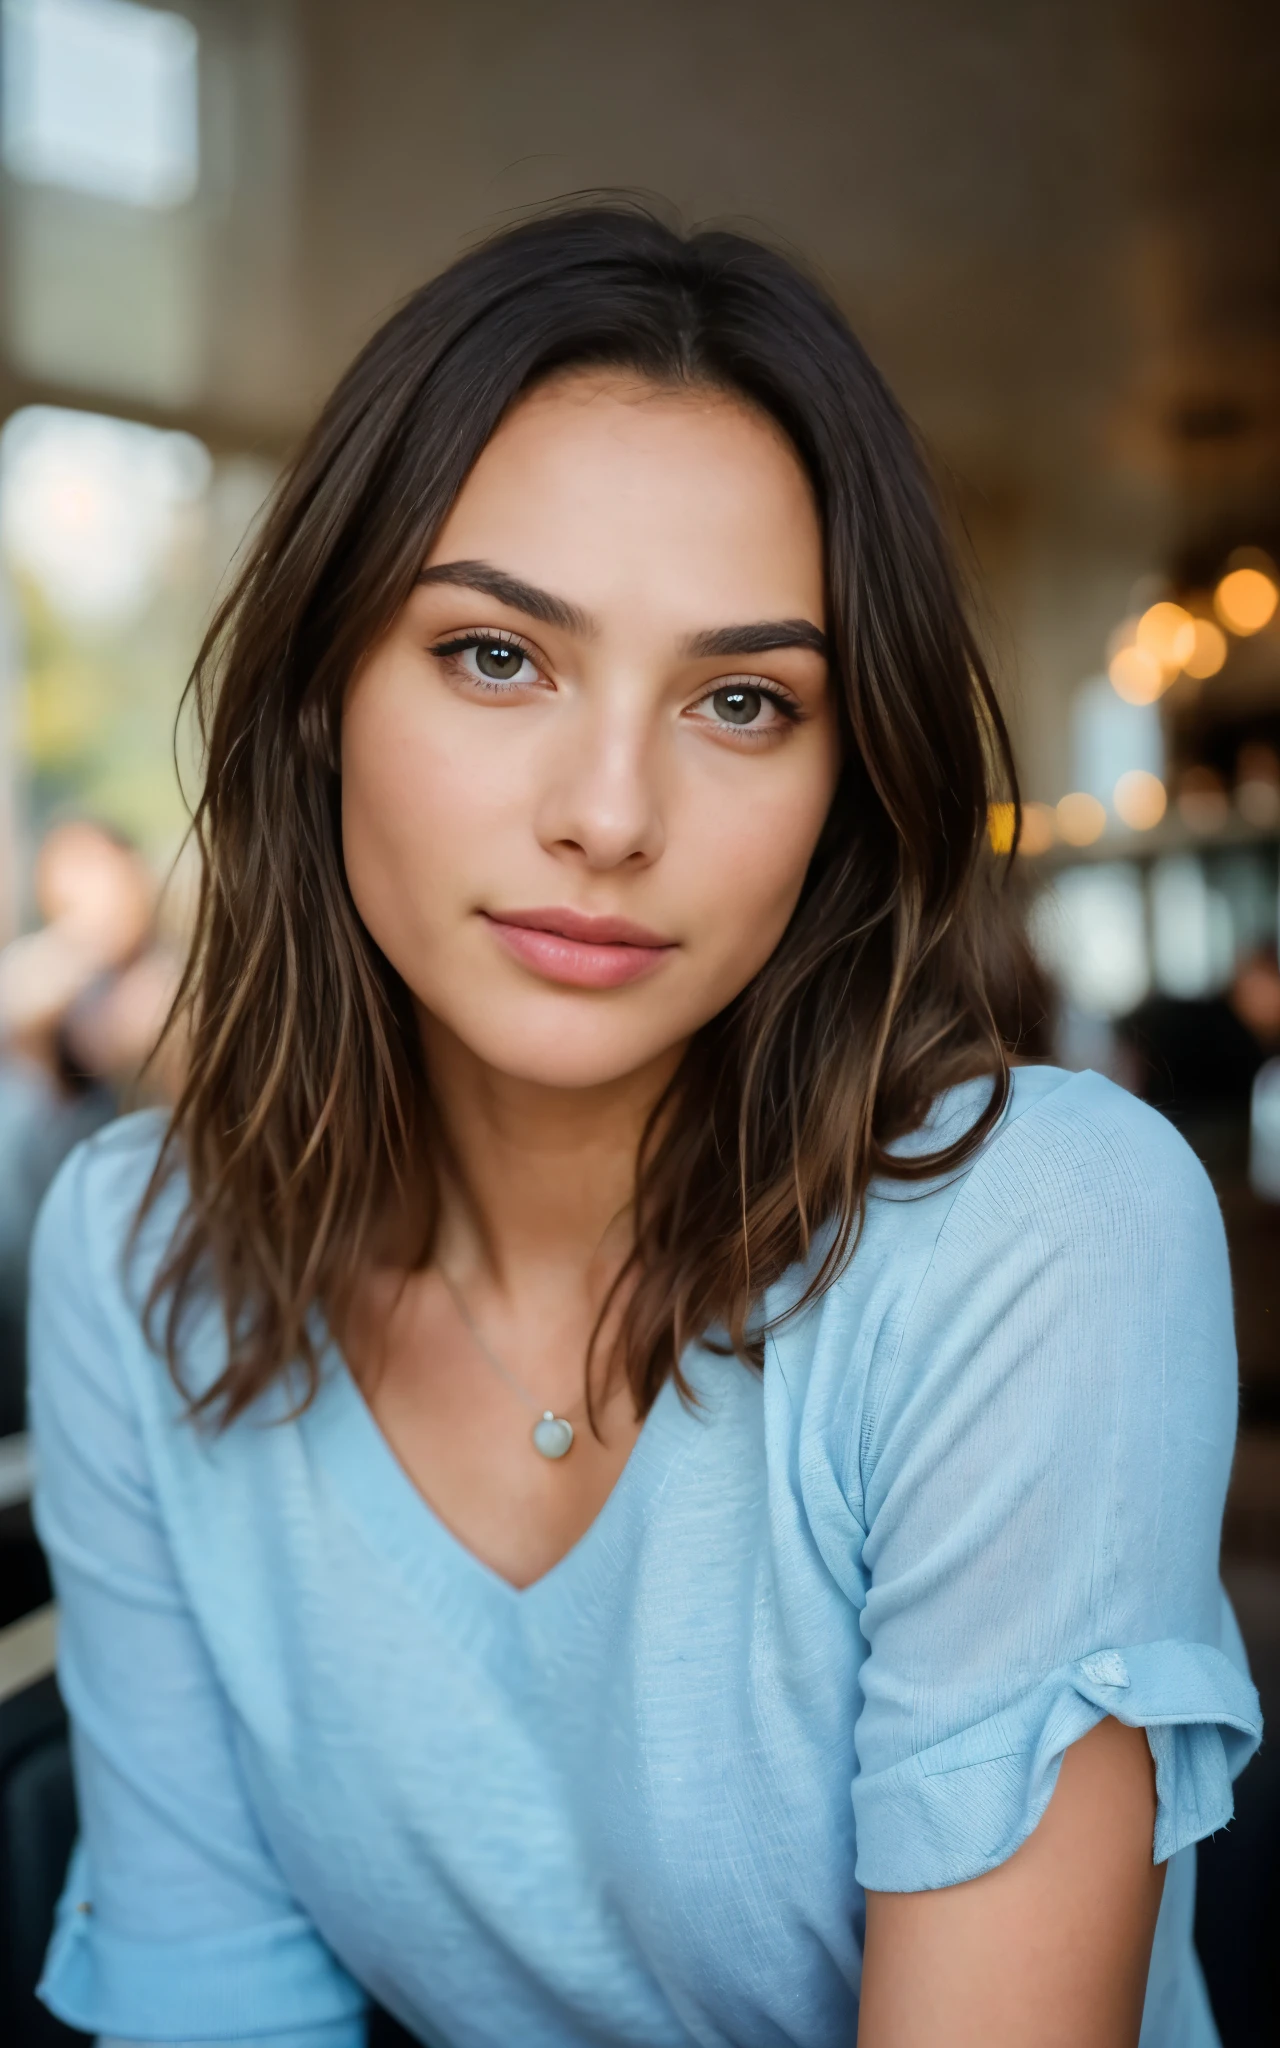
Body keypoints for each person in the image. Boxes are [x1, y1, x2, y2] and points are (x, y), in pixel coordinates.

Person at [28, 207, 1259, 2048]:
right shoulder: (145, 1260)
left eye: (743, 700)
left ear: (848, 792)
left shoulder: (1037, 1236)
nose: (609, 813)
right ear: (315, 700)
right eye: (497, 658)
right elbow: (217, 2008)